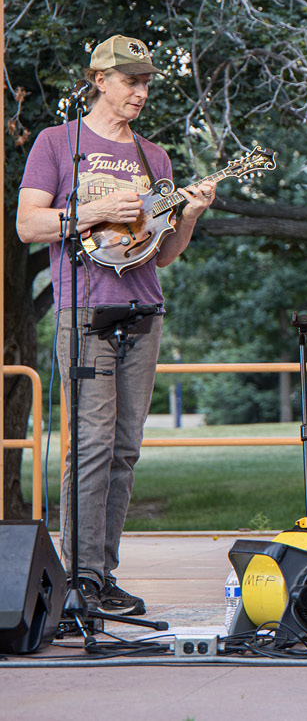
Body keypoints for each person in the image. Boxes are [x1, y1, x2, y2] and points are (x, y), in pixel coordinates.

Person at [16, 35, 218, 615]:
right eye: (130, 80)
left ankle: (103, 575)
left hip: (143, 308)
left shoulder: (155, 159)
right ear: (98, 79)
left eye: (147, 81)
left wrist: (191, 218)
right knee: (93, 442)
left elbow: (159, 252)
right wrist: (97, 210)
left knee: (125, 448)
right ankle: (77, 578)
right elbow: (29, 225)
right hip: (85, 309)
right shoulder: (59, 143)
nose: (141, 91)